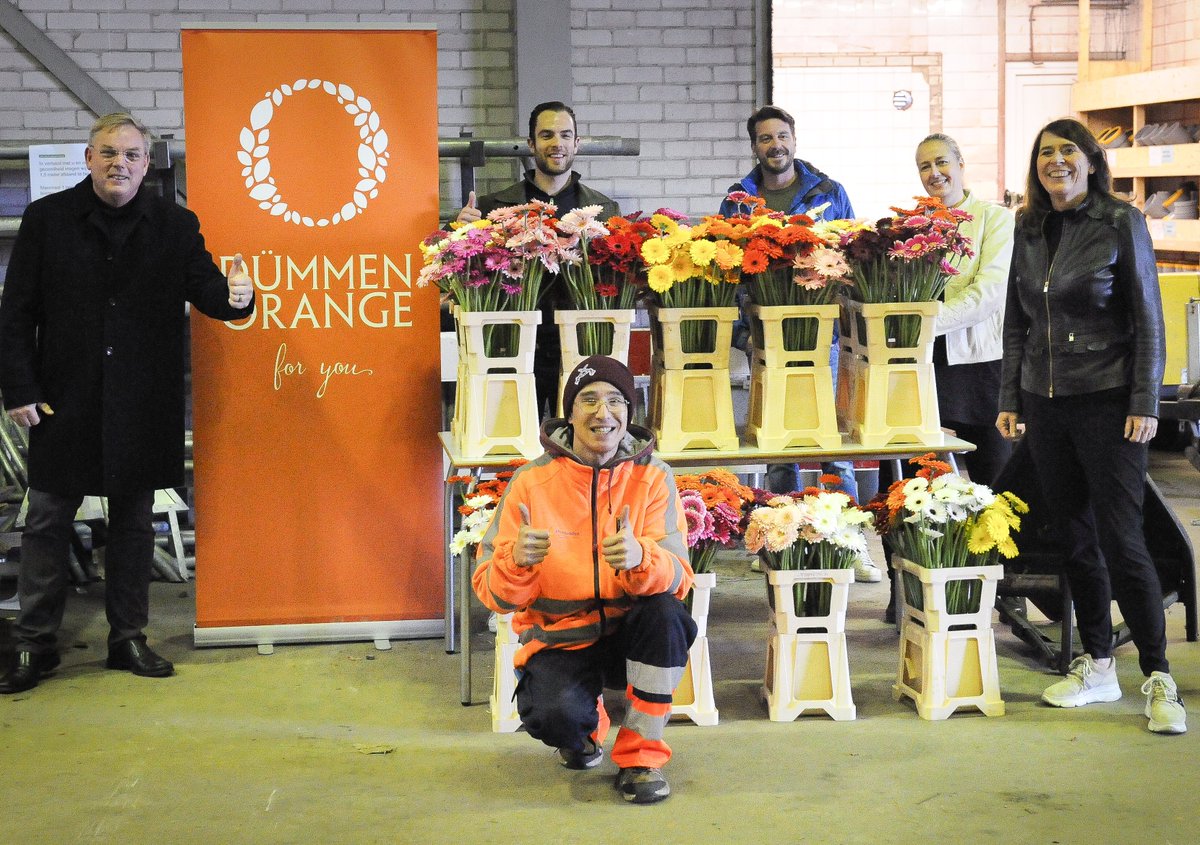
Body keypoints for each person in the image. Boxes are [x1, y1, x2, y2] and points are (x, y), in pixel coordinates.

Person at [0, 113, 254, 694]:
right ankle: (34, 645)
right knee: (45, 522)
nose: (120, 164)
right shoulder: (47, 220)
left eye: (132, 155)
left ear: (147, 164)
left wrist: (240, 298)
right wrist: (19, 389)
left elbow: (213, 296)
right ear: (89, 159)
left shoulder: (175, 225)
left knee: (135, 524)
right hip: (63, 396)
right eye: (109, 153)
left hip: (143, 399)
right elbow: (14, 313)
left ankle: (127, 639)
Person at [996, 117, 1184, 735]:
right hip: (1045, 402)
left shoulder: (1119, 221)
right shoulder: (1027, 225)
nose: (1057, 162)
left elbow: (1148, 318)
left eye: (1068, 152)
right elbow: (1017, 323)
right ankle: (1099, 664)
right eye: (1046, 153)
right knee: (1074, 536)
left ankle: (1158, 677)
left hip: (1109, 402)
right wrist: (1012, 398)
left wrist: (1145, 402)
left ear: (1091, 161)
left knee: (1122, 537)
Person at [472, 355, 696, 804]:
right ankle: (586, 726)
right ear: (569, 413)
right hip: (562, 640)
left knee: (667, 614)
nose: (602, 412)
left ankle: (642, 757)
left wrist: (640, 559)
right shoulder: (530, 483)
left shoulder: (654, 477)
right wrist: (515, 561)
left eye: (615, 401)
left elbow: (679, 576)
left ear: (629, 414)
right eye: (588, 400)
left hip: (631, 635)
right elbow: (492, 595)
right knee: (554, 719)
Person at [719, 105, 880, 583]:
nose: (776, 146)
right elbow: (729, 274)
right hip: (766, 341)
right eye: (765, 139)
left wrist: (847, 333)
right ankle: (775, 540)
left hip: (824, 338)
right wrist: (745, 337)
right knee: (777, 444)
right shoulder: (739, 201)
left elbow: (853, 259)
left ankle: (848, 541)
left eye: (782, 136)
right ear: (754, 147)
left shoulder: (829, 193)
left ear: (795, 139)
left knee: (833, 442)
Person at [880, 133, 1016, 623]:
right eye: (924, 166)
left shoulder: (996, 220)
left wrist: (921, 318)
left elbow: (990, 293)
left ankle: (1004, 588)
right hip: (917, 365)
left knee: (995, 480)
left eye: (941, 163)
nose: (934, 173)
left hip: (980, 365)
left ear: (961, 163)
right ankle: (908, 590)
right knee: (909, 479)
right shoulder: (908, 226)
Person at [456, 102, 621, 420]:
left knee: (578, 446)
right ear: (531, 144)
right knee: (509, 438)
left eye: (565, 134)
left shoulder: (605, 210)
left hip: (582, 344)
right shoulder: (494, 209)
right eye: (546, 135)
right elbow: (473, 277)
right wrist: (464, 235)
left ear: (577, 143)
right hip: (513, 344)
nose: (556, 143)